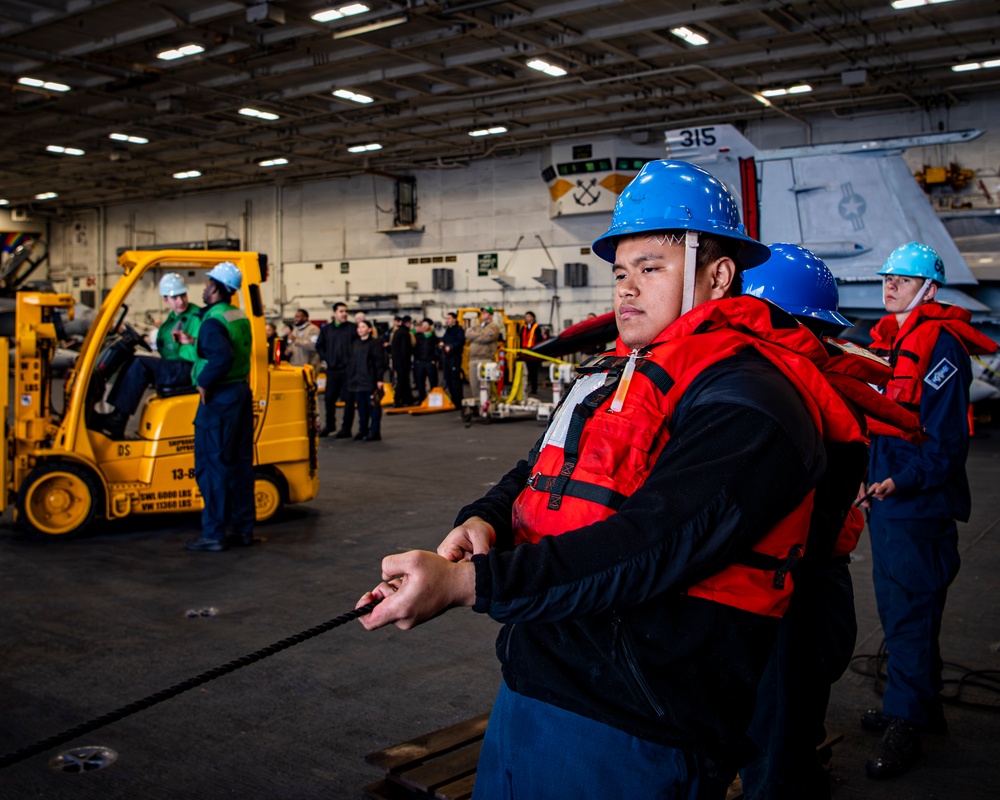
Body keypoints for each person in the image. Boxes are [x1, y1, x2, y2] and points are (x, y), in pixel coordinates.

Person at [357, 161, 871, 799]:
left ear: (719, 275)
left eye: (651, 268)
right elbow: (544, 466)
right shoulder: (627, 373)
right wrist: (484, 518)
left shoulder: (755, 403)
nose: (627, 289)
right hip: (538, 680)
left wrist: (471, 583)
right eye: (621, 273)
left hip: (636, 722)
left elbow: (652, 544)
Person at [739, 244, 920, 800]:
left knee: (772, 715)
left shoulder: (765, 390)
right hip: (824, 576)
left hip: (785, 582)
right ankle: (797, 774)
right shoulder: (828, 381)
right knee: (799, 703)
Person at [860, 242, 998, 779]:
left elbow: (945, 444)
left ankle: (907, 723)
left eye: (902, 278)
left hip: (917, 507)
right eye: (888, 277)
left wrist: (897, 481)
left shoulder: (940, 349)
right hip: (891, 502)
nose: (889, 284)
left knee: (910, 613)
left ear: (929, 289)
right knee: (901, 613)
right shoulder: (897, 343)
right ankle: (920, 707)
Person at [181, 262, 255, 553]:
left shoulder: (212, 320)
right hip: (240, 394)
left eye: (208, 282)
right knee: (239, 464)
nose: (204, 287)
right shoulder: (238, 315)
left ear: (216, 288)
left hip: (220, 397)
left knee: (212, 466)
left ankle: (213, 533)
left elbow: (220, 358)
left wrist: (203, 380)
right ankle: (243, 529)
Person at [94, 272, 201, 439]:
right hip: (175, 365)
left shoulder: (195, 317)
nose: (180, 301)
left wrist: (179, 347)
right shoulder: (174, 317)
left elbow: (199, 351)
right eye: (175, 298)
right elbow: (163, 342)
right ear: (165, 300)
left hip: (189, 369)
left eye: (183, 295)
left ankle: (118, 419)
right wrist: (143, 339)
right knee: (132, 360)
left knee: (140, 364)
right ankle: (116, 413)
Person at [316, 302, 357, 438]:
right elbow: (319, 346)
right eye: (341, 311)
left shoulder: (353, 328)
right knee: (329, 399)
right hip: (333, 370)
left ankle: (346, 429)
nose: (344, 313)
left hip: (348, 371)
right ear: (334, 313)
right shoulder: (327, 329)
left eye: (345, 311)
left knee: (349, 400)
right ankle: (330, 425)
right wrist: (326, 358)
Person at [347, 318, 385, 442]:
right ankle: (362, 430)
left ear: (369, 329)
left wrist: (379, 379)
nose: (360, 329)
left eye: (363, 327)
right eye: (359, 327)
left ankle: (374, 432)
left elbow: (379, 362)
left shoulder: (375, 343)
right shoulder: (355, 343)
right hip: (357, 381)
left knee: (373, 407)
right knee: (361, 408)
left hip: (370, 380)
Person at [465, 306, 502, 401]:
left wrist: (475, 335)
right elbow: (467, 334)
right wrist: (480, 334)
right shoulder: (477, 325)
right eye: (482, 313)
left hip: (485, 358)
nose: (482, 314)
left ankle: (487, 403)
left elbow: (488, 338)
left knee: (485, 384)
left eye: (485, 313)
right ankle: (478, 403)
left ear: (490, 315)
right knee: (474, 383)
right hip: (473, 359)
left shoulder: (494, 326)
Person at [439, 311, 466, 405]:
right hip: (447, 358)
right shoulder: (448, 330)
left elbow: (461, 342)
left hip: (455, 357)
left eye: (449, 318)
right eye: (446, 318)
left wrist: (450, 346)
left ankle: (459, 400)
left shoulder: (459, 330)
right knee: (448, 378)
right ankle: (453, 399)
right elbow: (444, 339)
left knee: (455, 379)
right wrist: (442, 343)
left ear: (454, 319)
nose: (447, 320)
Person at [518, 310, 546, 395]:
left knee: (534, 371)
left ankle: (534, 388)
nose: (527, 318)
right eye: (526, 317)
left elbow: (539, 339)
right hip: (525, 352)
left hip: (533, 352)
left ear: (533, 317)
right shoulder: (524, 327)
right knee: (526, 371)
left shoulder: (536, 327)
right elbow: (521, 339)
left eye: (529, 317)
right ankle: (526, 387)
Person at [412, 318, 440, 403]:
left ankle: (434, 400)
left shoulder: (434, 338)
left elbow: (437, 350)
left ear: (430, 326)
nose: (423, 326)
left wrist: (434, 359)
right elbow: (410, 335)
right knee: (420, 382)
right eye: (422, 325)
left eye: (425, 325)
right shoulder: (417, 336)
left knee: (433, 381)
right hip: (419, 362)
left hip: (430, 362)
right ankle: (422, 399)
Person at [390, 314, 415, 407]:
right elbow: (405, 350)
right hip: (402, 362)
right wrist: (407, 362)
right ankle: (397, 400)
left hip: (396, 361)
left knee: (403, 380)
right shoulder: (405, 333)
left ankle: (407, 399)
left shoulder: (397, 332)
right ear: (408, 323)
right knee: (402, 380)